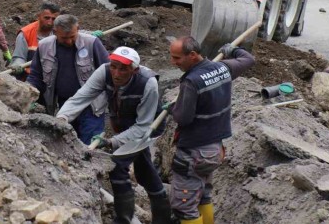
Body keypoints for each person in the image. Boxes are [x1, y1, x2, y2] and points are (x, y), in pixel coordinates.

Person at [56, 47, 171, 224]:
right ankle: (163, 218)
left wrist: (111, 142)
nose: (116, 73)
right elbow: (81, 97)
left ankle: (124, 219)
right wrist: (62, 118)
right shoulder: (104, 72)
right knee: (144, 170)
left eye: (123, 69)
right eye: (114, 66)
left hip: (148, 127)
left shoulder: (148, 83)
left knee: (117, 166)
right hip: (123, 123)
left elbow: (143, 127)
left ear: (135, 70)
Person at [168, 37, 255, 224]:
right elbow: (248, 59)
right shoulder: (223, 69)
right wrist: (233, 50)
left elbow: (183, 118)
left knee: (184, 205)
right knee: (203, 196)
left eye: (177, 58)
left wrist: (171, 109)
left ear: (192, 55)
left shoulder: (191, 82)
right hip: (213, 151)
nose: (173, 62)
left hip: (194, 152)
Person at [27, 14, 109, 144]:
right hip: (63, 105)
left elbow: (108, 73)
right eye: (64, 38)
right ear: (55, 32)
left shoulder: (91, 43)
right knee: (68, 145)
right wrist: (29, 94)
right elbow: (36, 76)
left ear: (78, 28)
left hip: (91, 106)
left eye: (72, 37)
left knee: (89, 145)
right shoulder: (44, 46)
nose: (69, 41)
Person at [9, 2, 61, 81]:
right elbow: (19, 56)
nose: (50, 22)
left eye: (54, 19)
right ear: (38, 16)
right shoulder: (25, 34)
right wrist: (17, 64)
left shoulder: (61, 33)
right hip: (30, 78)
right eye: (46, 18)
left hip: (52, 77)